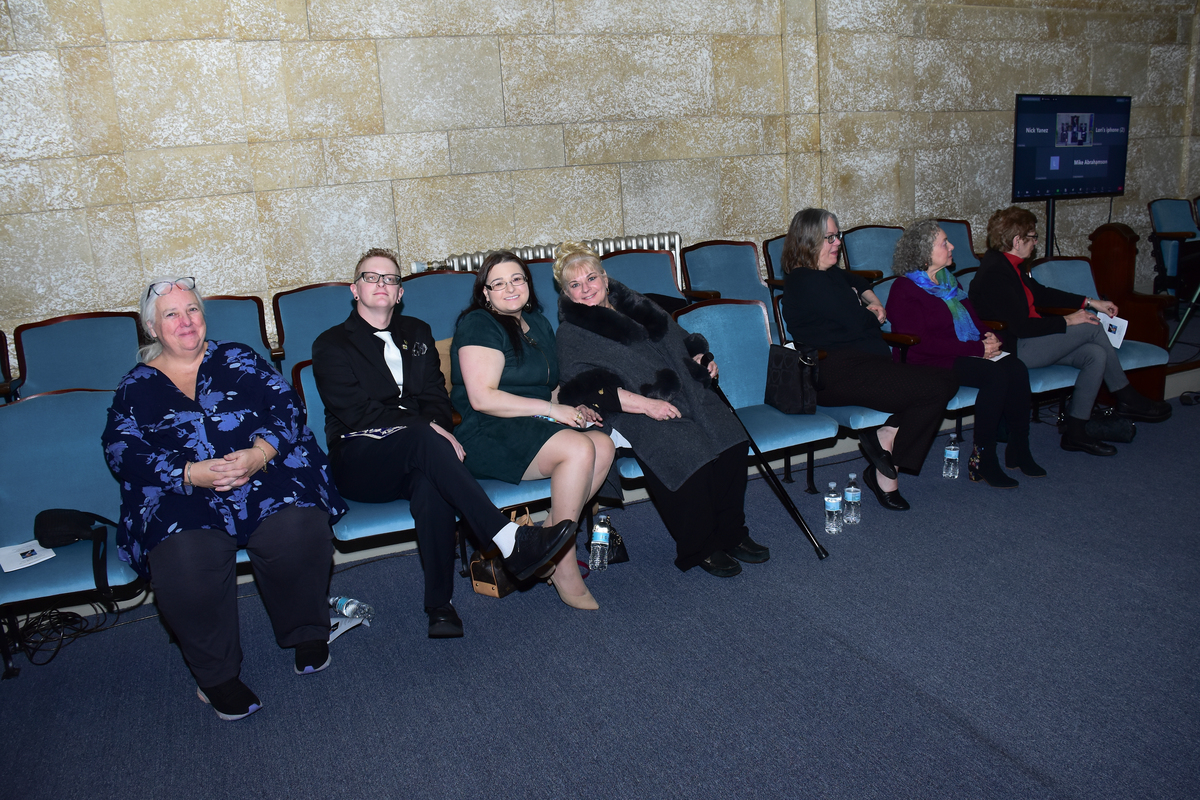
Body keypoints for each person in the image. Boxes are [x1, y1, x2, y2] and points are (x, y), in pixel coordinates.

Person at [102, 277, 347, 722]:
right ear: (152, 328)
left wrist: (260, 453)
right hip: (184, 491)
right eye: (171, 314)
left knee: (298, 527)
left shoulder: (238, 357)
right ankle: (215, 676)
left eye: (192, 310)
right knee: (184, 558)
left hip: (261, 473)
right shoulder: (135, 386)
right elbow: (120, 450)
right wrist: (187, 472)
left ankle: (307, 632)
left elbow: (287, 406)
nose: (185, 321)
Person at [311, 249, 575, 638]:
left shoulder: (417, 332)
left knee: (430, 484)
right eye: (372, 277)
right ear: (355, 289)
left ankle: (440, 606)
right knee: (423, 434)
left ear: (400, 293)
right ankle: (507, 537)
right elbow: (358, 414)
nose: (382, 284)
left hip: (418, 455)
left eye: (391, 279)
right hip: (360, 458)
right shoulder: (331, 343)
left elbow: (437, 397)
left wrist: (435, 429)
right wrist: (430, 430)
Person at [554, 242, 768, 578]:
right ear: (566, 293)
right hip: (629, 408)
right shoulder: (571, 333)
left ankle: (732, 532)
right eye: (575, 285)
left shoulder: (637, 304)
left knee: (731, 439)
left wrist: (700, 358)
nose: (586, 288)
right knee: (686, 450)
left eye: (591, 278)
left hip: (684, 390)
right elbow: (584, 388)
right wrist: (646, 405)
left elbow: (681, 338)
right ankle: (700, 545)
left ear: (605, 279)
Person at [451, 252, 615, 610]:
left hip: (533, 423)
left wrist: (573, 408)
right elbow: (482, 398)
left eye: (517, 279)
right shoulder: (478, 324)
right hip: (487, 431)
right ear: (485, 293)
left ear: (528, 284)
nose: (510, 288)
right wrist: (552, 410)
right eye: (498, 283)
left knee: (603, 445)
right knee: (579, 449)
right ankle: (564, 564)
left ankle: (541, 544)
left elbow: (548, 388)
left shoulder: (537, 322)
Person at [780, 208, 959, 510]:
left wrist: (873, 301)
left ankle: (887, 440)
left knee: (947, 378)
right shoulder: (805, 281)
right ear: (809, 240)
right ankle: (887, 466)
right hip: (835, 373)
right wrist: (870, 314)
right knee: (935, 386)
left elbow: (859, 282)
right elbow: (857, 321)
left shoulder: (828, 272)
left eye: (838, 235)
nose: (838, 242)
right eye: (830, 237)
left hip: (864, 366)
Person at [968, 206, 1172, 456]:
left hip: (1033, 340)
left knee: (1095, 354)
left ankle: (1076, 431)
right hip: (1016, 347)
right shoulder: (995, 273)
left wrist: (1090, 302)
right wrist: (1069, 320)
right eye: (1033, 237)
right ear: (1017, 241)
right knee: (1090, 326)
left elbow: (1042, 294)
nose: (1036, 242)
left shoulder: (1012, 265)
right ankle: (1126, 396)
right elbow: (1021, 327)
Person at [887, 220, 1043, 487]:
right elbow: (921, 344)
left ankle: (1019, 448)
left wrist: (989, 337)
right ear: (924, 252)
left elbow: (973, 320)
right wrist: (978, 349)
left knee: (1016, 368)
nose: (952, 246)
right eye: (944, 243)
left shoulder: (949, 281)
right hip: (926, 361)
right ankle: (983, 458)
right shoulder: (904, 289)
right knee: (994, 375)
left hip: (961, 351)